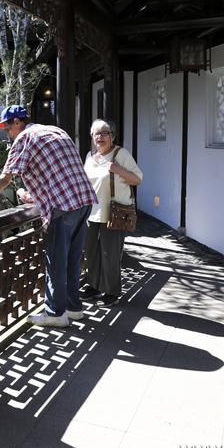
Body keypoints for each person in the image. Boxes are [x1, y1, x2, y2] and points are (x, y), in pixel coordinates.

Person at [0, 105, 97, 327]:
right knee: (73, 259)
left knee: (56, 261)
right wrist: (35, 196)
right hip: (83, 200)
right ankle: (74, 308)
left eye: (7, 127)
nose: (7, 132)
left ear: (17, 122)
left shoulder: (25, 138)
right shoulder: (56, 131)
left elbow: (5, 178)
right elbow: (58, 173)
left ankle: (55, 313)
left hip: (62, 207)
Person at [80, 119, 143, 307]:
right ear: (92, 137)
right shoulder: (89, 156)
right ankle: (94, 286)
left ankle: (112, 291)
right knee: (90, 252)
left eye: (105, 133)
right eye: (96, 134)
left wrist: (118, 170)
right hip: (91, 212)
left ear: (112, 136)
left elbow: (137, 179)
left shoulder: (120, 154)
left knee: (110, 254)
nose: (100, 137)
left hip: (114, 212)